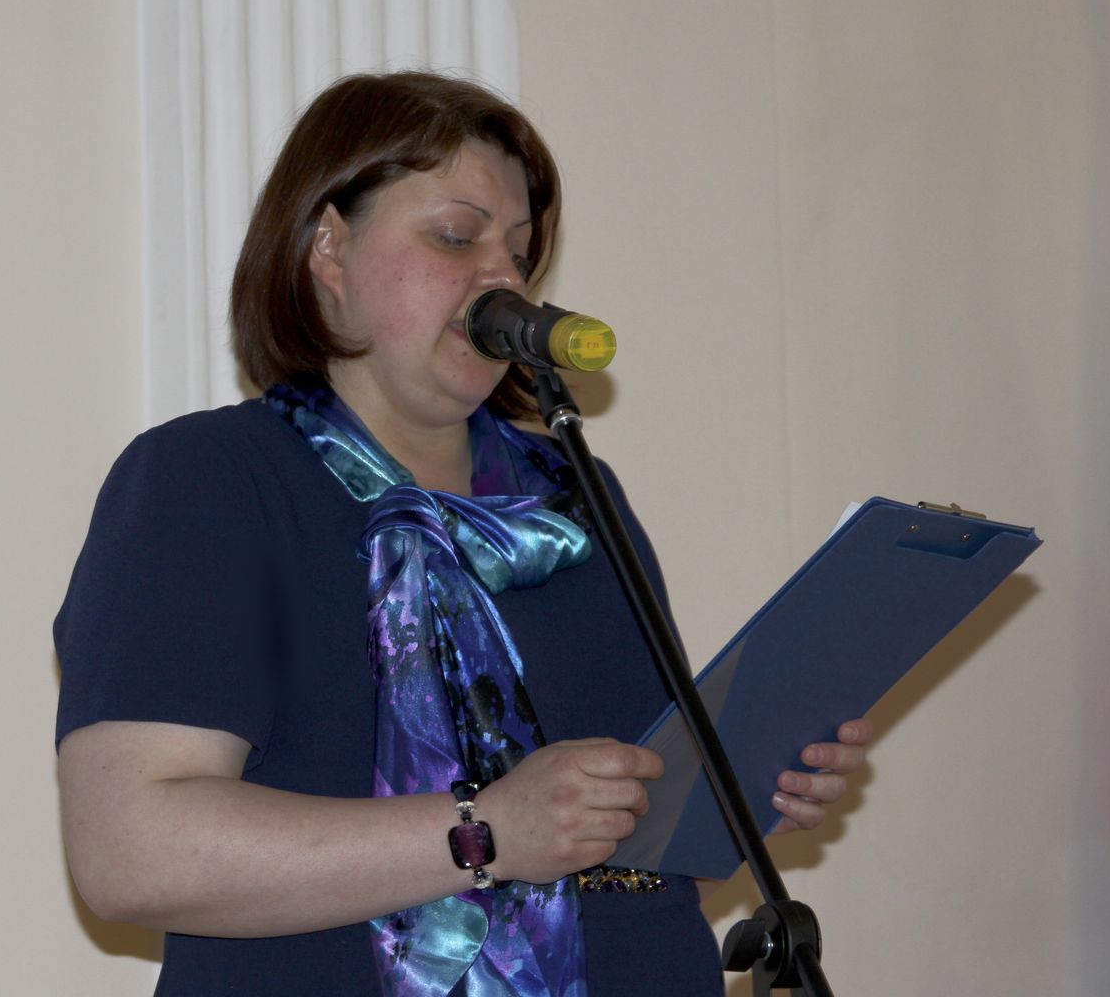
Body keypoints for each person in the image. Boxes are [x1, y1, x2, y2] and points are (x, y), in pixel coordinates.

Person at [55, 71, 871, 996]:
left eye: (519, 252)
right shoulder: (211, 479)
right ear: (329, 246)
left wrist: (730, 796)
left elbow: (615, 861)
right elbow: (128, 852)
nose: (503, 280)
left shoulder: (575, 496)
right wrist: (484, 833)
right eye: (456, 236)